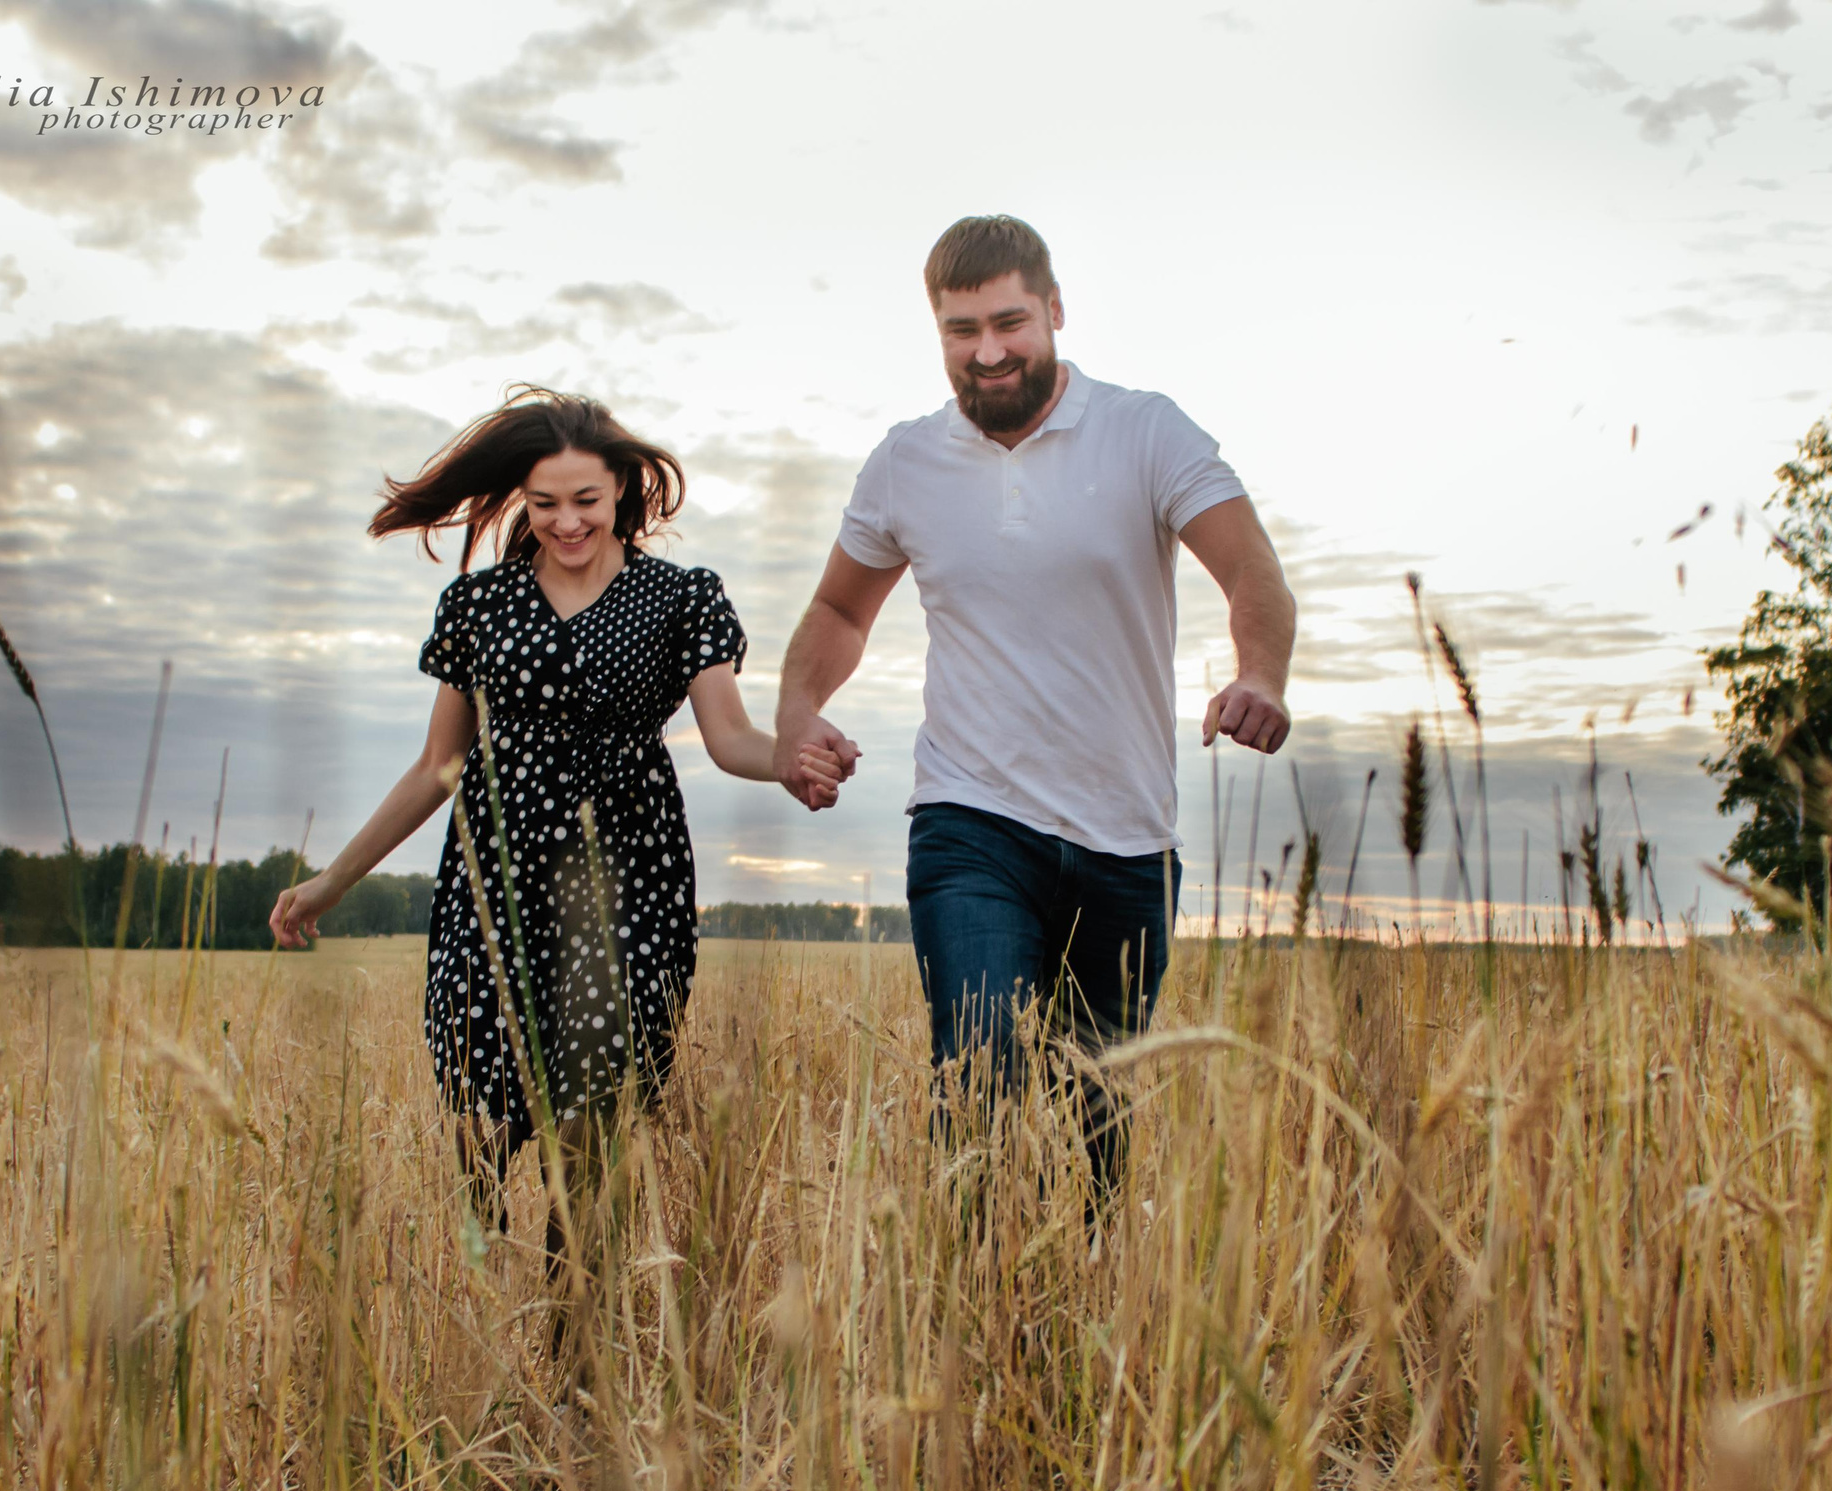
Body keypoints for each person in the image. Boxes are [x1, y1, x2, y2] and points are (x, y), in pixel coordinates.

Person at [772, 215, 1295, 1204]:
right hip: (971, 821)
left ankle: (1082, 1287)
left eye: (1009, 322)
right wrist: (799, 710)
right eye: (961, 330)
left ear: (1054, 310)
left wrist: (1260, 674)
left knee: (1099, 1120)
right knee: (979, 1079)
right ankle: (970, 1293)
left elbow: (1249, 569)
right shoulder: (905, 462)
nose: (988, 351)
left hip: (1126, 837)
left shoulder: (1146, 431)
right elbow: (840, 608)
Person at [270, 387, 839, 1276]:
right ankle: (481, 1268)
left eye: (585, 500)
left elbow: (729, 737)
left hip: (628, 874)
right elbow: (436, 767)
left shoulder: (679, 597)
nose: (566, 521)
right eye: (544, 503)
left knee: (594, 1124)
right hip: (498, 876)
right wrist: (330, 881)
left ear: (622, 491)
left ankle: (575, 1329)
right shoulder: (479, 606)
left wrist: (791, 761)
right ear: (521, 501)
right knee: (480, 1107)